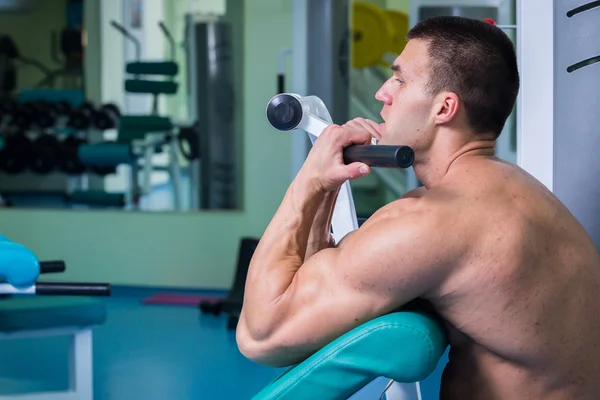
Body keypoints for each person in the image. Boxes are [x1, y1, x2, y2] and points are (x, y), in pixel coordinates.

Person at [236, 16, 600, 399]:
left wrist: (309, 179)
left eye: (400, 80)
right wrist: (327, 185)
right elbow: (313, 288)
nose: (382, 93)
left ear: (444, 108)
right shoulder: (522, 192)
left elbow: (261, 334)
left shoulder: (431, 223)